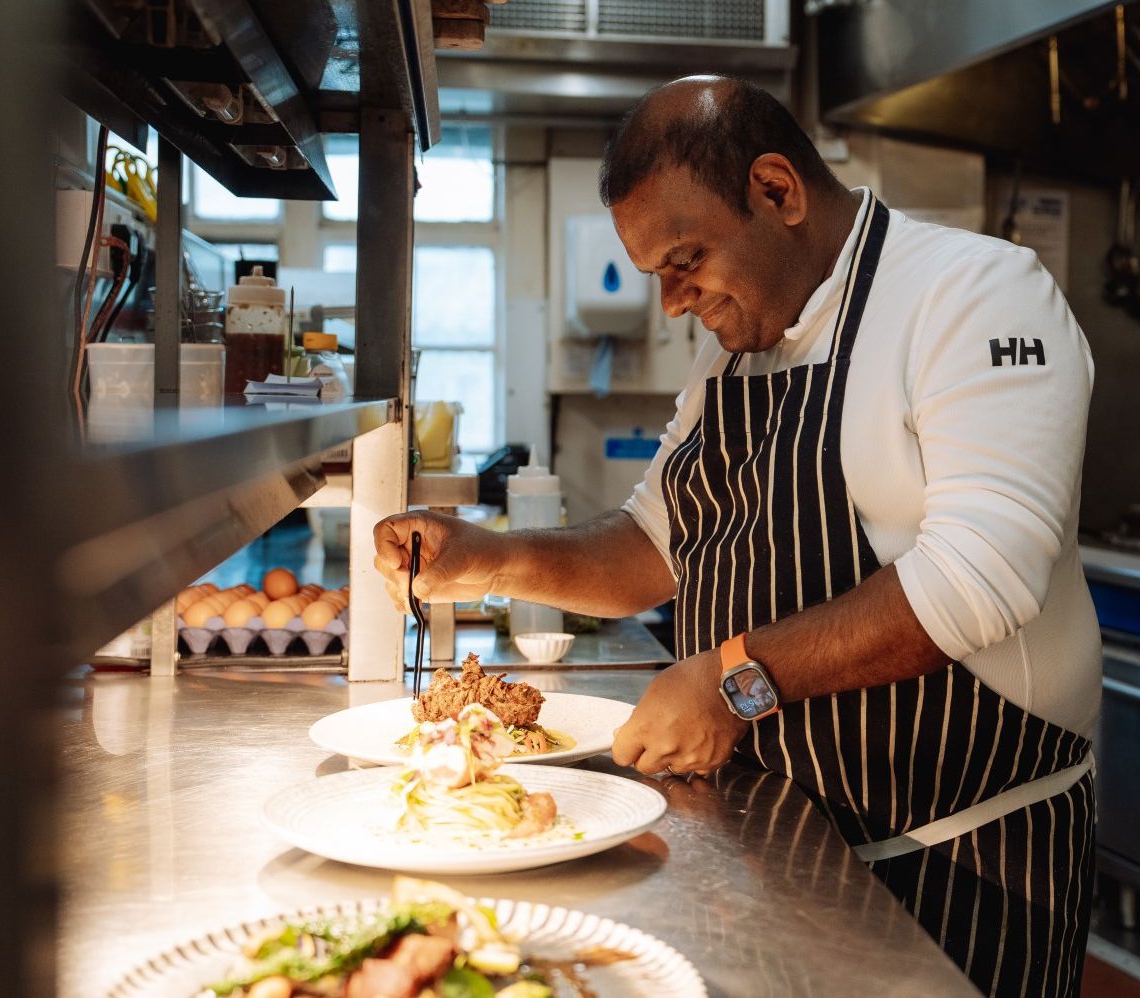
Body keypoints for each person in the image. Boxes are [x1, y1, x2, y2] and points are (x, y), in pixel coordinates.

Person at [374, 76, 1100, 996]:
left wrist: (729, 681)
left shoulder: (974, 296)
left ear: (776, 190)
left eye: (685, 260)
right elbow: (653, 544)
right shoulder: (735, 352)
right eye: (656, 275)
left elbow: (978, 578)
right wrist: (487, 558)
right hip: (784, 831)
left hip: (962, 858)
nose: (674, 305)